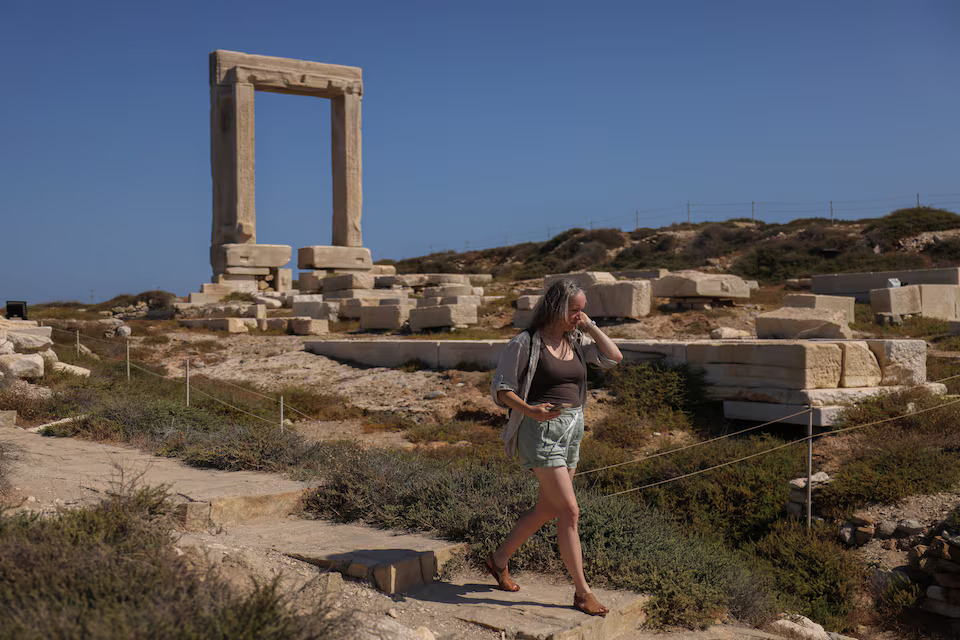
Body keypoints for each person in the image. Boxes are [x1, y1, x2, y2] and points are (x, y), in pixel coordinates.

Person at [487, 278, 623, 616]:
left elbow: (614, 357)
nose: (580, 316)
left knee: (547, 509)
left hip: (573, 430)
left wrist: (590, 325)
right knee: (570, 511)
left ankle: (498, 559)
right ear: (555, 307)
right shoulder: (526, 342)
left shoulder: (575, 339)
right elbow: (501, 389)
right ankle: (582, 592)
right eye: (574, 309)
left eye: (583, 310)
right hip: (540, 431)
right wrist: (530, 409)